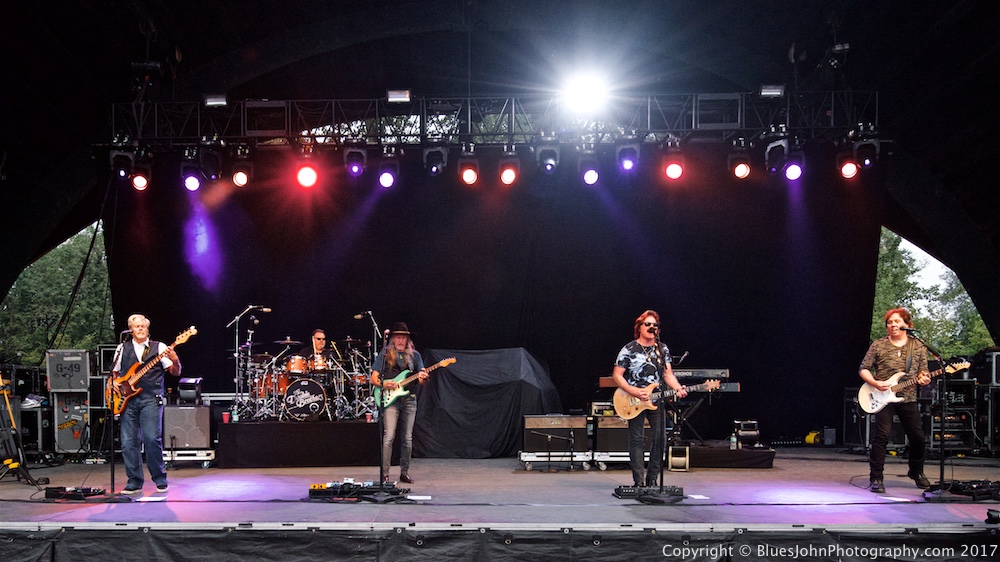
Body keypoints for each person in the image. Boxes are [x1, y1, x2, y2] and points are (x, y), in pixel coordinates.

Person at [859, 307, 932, 493]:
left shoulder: (918, 346)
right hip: (882, 397)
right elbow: (864, 368)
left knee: (917, 437)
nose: (892, 325)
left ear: (907, 324)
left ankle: (916, 472)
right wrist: (875, 383)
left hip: (908, 397)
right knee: (882, 435)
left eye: (897, 321)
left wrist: (924, 379)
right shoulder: (879, 345)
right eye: (890, 322)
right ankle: (876, 477)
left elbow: (923, 372)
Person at [611, 310, 687, 488]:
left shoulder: (662, 349)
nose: (652, 327)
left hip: (656, 398)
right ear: (639, 327)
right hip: (633, 399)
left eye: (655, 325)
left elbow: (668, 374)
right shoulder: (629, 349)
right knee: (637, 439)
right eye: (648, 324)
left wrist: (678, 388)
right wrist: (634, 391)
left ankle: (652, 479)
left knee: (660, 438)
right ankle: (639, 481)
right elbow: (617, 375)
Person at [111, 314, 181, 494]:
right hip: (127, 400)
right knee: (128, 442)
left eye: (143, 326)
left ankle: (159, 478)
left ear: (148, 329)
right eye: (137, 326)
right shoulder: (122, 348)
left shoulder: (160, 347)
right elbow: (115, 373)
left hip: (151, 398)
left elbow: (175, 372)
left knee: (151, 438)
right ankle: (134, 481)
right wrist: (113, 383)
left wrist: (175, 359)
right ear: (131, 330)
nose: (141, 328)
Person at [370, 322, 428, 484]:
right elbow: (373, 378)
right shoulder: (385, 355)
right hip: (391, 401)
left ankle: (404, 472)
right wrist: (384, 384)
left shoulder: (415, 356)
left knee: (407, 438)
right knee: (389, 436)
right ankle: (385, 474)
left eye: (403, 338)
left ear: (407, 340)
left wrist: (424, 378)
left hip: (409, 399)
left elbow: (422, 378)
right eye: (398, 337)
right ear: (393, 339)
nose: (401, 341)